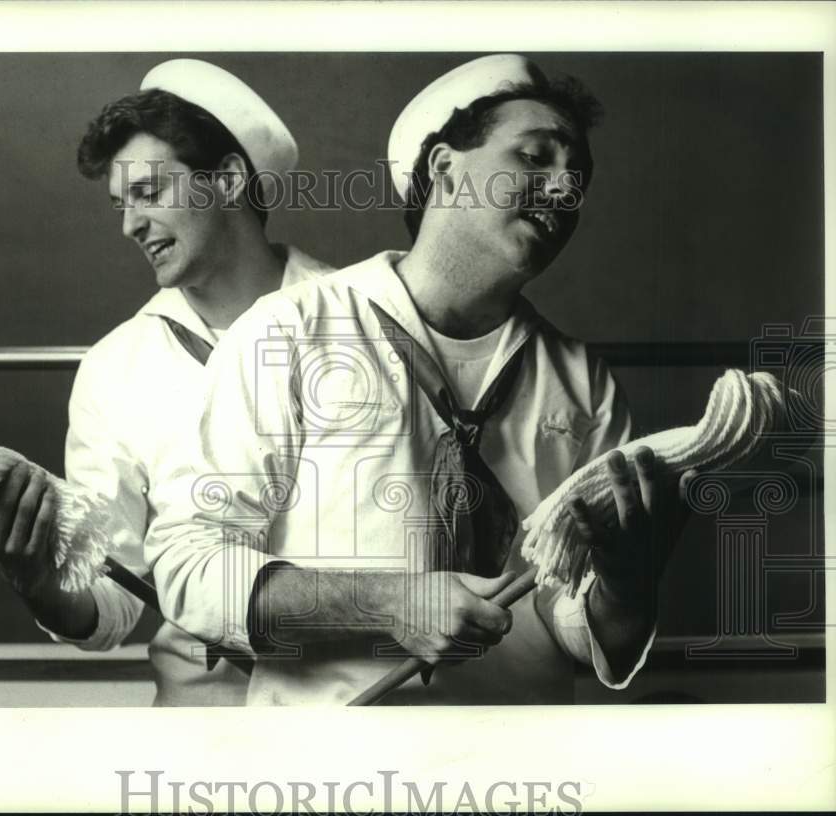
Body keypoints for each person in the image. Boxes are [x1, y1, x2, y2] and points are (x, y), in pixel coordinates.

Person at [143, 54, 696, 705]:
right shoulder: (289, 330)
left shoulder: (584, 385)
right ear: (444, 168)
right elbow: (191, 565)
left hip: (517, 766)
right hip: (327, 767)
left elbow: (575, 626)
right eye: (535, 157)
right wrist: (385, 604)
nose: (564, 187)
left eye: (579, 175)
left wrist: (625, 588)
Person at [0, 59, 331, 705]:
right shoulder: (115, 369)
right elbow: (108, 601)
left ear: (227, 178)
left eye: (150, 192)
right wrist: (37, 580)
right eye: (120, 203)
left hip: (372, 711)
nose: (129, 225)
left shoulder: (367, 319)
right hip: (206, 729)